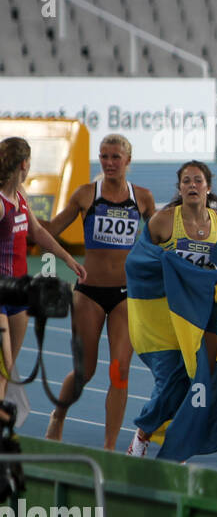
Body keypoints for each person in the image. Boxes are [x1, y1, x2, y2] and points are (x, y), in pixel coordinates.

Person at [45, 134, 156, 450]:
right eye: (104, 157)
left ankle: (109, 448)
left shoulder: (143, 198)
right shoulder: (85, 195)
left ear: (128, 161)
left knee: (120, 371)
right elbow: (50, 231)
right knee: (85, 371)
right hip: (89, 293)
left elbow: (162, 237)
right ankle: (59, 415)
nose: (109, 163)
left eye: (115, 157)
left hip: (125, 294)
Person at [126, 161, 217, 456]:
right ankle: (143, 434)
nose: (191, 186)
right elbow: (137, 261)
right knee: (172, 379)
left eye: (197, 180)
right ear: (179, 188)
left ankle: (178, 441)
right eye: (186, 181)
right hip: (166, 317)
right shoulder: (162, 222)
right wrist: (169, 264)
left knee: (197, 379)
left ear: (208, 188)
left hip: (202, 318)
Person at [0, 139, 87, 404]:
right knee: (1, 365)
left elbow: (37, 232)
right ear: (24, 164)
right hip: (1, 292)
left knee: (8, 369)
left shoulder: (21, 195)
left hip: (20, 293)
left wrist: (67, 259)